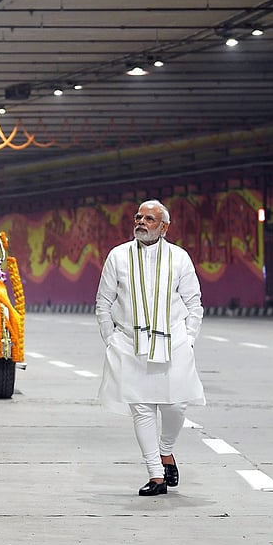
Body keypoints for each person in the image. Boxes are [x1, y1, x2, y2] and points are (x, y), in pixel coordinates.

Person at [95, 200, 204, 497]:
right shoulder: (117, 256)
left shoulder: (180, 258)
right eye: (138, 217)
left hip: (174, 343)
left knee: (177, 403)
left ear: (164, 227)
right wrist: (111, 339)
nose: (141, 222)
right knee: (142, 408)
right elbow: (103, 302)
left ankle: (166, 450)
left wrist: (189, 338)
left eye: (150, 219)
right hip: (130, 345)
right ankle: (156, 474)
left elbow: (194, 303)